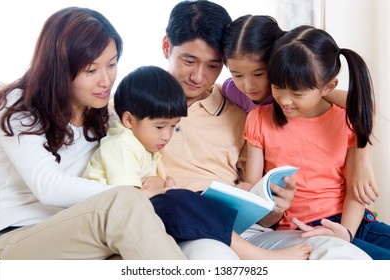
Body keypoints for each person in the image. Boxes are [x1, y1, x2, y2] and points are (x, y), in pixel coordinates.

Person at [157, 0, 371, 260]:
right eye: (189, 61)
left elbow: (357, 104)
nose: (199, 77)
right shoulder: (138, 105)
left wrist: (361, 157)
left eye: (213, 65)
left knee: (347, 254)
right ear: (167, 47)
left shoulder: (256, 110)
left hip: (256, 223)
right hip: (182, 215)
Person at [0, 7, 185, 260]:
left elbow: (129, 165)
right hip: (14, 239)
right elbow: (48, 186)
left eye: (112, 64)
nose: (106, 81)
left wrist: (156, 184)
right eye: (91, 70)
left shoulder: (106, 117)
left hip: (78, 234)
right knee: (123, 204)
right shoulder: (18, 104)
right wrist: (134, 195)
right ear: (60, 69)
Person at [83, 65, 312, 260]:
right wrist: (166, 190)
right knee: (183, 198)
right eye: (161, 127)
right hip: (108, 222)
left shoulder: (142, 143)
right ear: (129, 120)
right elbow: (126, 199)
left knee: (192, 200)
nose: (167, 136)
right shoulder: (122, 145)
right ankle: (261, 257)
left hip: (128, 217)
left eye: (173, 126)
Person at [242, 24, 390, 259]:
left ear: (329, 87)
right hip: (306, 228)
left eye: (298, 93)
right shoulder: (259, 119)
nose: (285, 100)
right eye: (278, 87)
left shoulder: (344, 119)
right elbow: (253, 189)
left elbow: (354, 190)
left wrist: (347, 233)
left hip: (355, 222)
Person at [221, 14, 379, 206]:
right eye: (237, 74)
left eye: (259, 74)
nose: (248, 86)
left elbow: (363, 104)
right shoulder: (232, 90)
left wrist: (362, 160)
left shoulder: (294, 93)